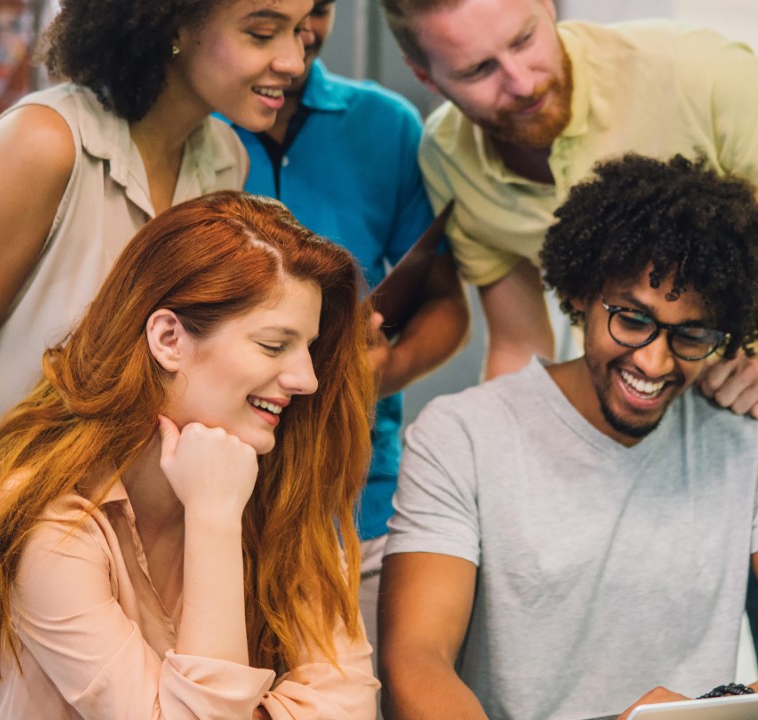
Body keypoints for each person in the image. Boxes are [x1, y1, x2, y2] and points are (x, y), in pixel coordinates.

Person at [378, 0, 758, 673]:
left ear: (547, 7)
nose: (521, 81)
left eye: (525, 40)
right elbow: (520, 343)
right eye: (478, 70)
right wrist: (500, 470)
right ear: (425, 75)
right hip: (614, 441)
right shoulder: (449, 157)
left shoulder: (695, 73)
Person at [0, 0, 312, 709]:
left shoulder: (224, 158)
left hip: (84, 527)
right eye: (262, 32)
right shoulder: (45, 143)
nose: (293, 59)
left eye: (301, 29)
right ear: (171, 24)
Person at [0, 191, 379, 719]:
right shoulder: (45, 520)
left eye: (309, 349)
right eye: (274, 346)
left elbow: (350, 704)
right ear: (167, 338)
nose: (307, 379)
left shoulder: (274, 483)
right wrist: (213, 517)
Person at [226, 0, 468, 658]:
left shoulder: (387, 125)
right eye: (270, 22)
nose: (301, 35)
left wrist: (383, 371)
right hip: (217, 501)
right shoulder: (192, 127)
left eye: (320, 10)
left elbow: (447, 303)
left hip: (360, 503)